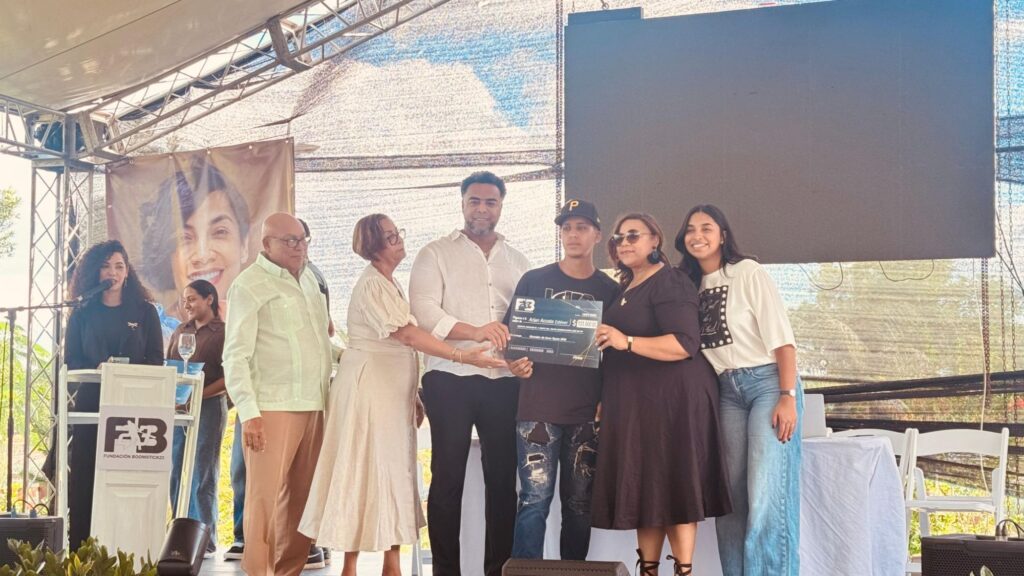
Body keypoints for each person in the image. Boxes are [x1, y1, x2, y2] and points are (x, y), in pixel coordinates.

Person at [301, 214, 505, 576]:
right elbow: (407, 335)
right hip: (369, 389)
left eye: (398, 234)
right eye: (391, 237)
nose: (399, 241)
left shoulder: (390, 282)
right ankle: (350, 564)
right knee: (361, 468)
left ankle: (391, 562)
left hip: (393, 389)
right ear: (373, 245)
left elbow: (403, 345)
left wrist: (414, 395)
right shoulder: (372, 284)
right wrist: (462, 354)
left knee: (395, 471)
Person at [591, 213, 731, 576]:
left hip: (673, 404)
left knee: (674, 486)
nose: (623, 243)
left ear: (655, 240)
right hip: (635, 405)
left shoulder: (671, 280)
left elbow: (684, 344)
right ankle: (648, 571)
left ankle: (683, 571)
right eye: (618, 237)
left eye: (633, 235)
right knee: (646, 490)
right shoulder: (625, 288)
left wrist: (626, 341)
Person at [409, 171, 529, 576]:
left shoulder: (519, 261)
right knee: (447, 479)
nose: (482, 208)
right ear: (462, 203)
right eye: (474, 200)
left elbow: (527, 322)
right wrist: (476, 332)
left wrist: (522, 356)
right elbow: (424, 311)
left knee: (503, 481)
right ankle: (446, 571)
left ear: (501, 206)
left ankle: (499, 570)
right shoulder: (434, 253)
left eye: (490, 202)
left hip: (504, 382)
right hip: (449, 378)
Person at [677, 204, 802, 576]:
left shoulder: (747, 272)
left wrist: (787, 396)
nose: (697, 235)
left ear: (723, 235)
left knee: (766, 493)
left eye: (706, 227)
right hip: (726, 391)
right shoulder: (687, 287)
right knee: (729, 497)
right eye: (690, 229)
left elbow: (783, 340)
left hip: (768, 383)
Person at [504, 199, 617, 560]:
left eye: (582, 227)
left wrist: (608, 400)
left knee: (579, 504)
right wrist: (514, 363)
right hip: (536, 410)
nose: (573, 235)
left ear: (597, 235)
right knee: (533, 500)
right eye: (566, 228)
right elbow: (511, 337)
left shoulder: (611, 289)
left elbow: (617, 356)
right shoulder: (534, 280)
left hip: (586, 413)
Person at [223, 213, 332, 576]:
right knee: (263, 501)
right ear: (266, 244)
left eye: (303, 239)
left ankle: (289, 571)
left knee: (304, 501)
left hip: (315, 403)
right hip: (270, 407)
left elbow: (321, 342)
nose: (299, 247)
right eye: (290, 241)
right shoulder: (248, 285)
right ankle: (259, 571)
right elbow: (235, 355)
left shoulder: (311, 281)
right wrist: (249, 412)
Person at [63, 240, 164, 548]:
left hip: (133, 407)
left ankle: (129, 550)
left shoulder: (145, 312)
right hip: (92, 404)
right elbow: (71, 361)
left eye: (120, 266)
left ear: (128, 271)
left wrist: (127, 372)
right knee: (86, 478)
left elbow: (155, 360)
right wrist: (96, 368)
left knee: (127, 478)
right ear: (95, 272)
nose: (113, 272)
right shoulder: (82, 312)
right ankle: (82, 551)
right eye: (106, 266)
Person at [140, 160, 252, 325]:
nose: (203, 256)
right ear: (166, 256)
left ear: (244, 245)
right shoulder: (160, 330)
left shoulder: (261, 324)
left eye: (220, 232)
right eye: (184, 238)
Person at [167, 279, 227, 559]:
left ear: (209, 299)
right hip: (179, 409)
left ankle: (205, 539)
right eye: (184, 300)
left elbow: (229, 377)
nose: (187, 305)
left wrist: (199, 395)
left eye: (192, 299)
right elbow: (170, 367)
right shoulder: (181, 330)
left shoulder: (223, 333)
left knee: (203, 472)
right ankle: (179, 535)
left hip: (210, 407)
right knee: (177, 470)